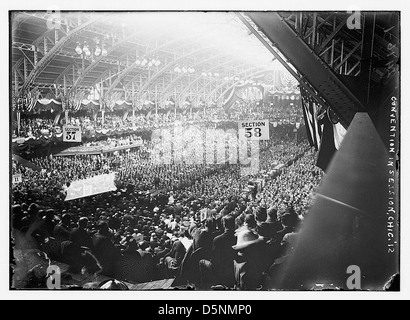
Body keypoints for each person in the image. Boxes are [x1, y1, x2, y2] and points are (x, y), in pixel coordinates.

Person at [199, 215, 237, 288]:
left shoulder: (217, 239)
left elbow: (214, 259)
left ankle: (205, 286)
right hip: (232, 267)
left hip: (220, 269)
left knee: (201, 262)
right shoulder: (237, 237)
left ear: (224, 225)